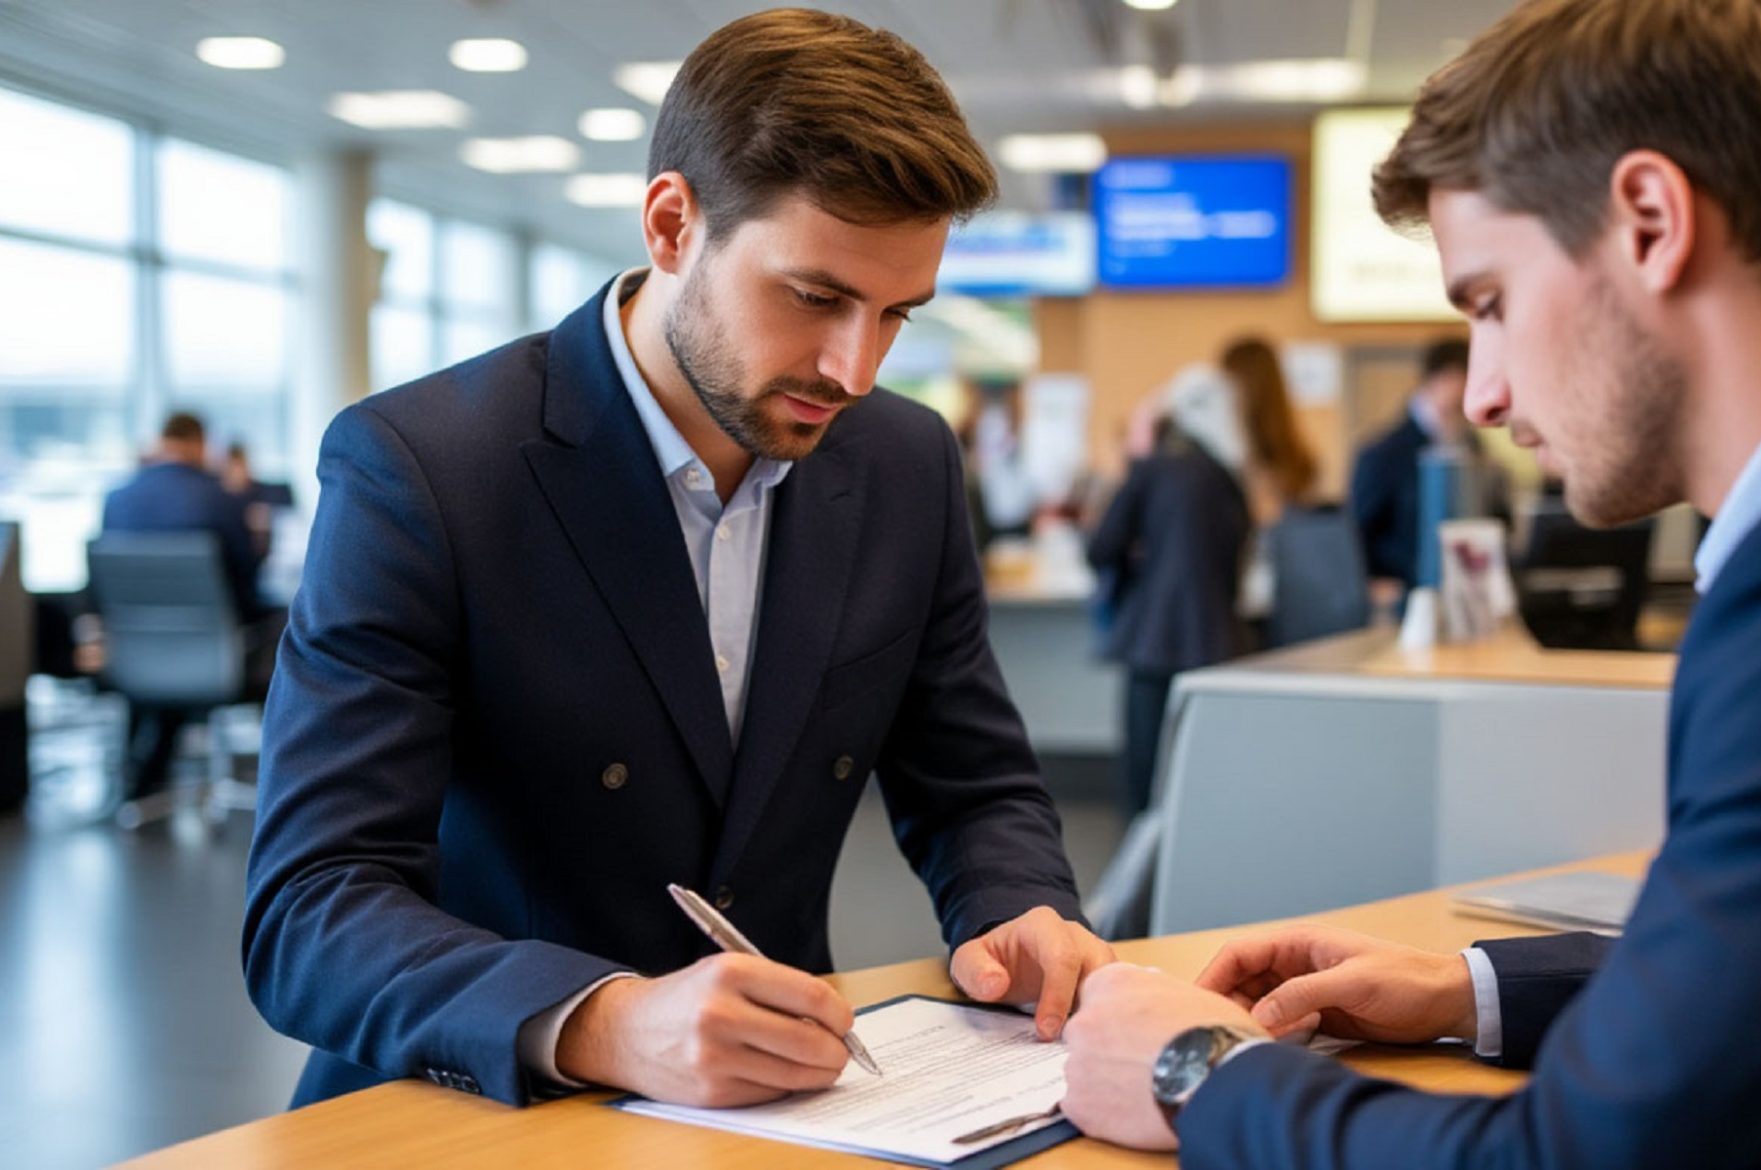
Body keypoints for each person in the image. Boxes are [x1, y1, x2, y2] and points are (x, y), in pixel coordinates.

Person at [1058, 0, 1761, 1165]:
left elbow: (1586, 1157)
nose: (1479, 394)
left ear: (1647, 221)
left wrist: (1198, 1076)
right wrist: (1465, 987)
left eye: (1488, 304)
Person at [244, 8, 1111, 1112]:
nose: (854, 368)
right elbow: (311, 909)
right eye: (815, 297)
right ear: (669, 223)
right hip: (466, 1109)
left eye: (896, 313)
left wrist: (1017, 910)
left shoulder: (902, 462)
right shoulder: (423, 468)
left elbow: (973, 782)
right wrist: (602, 1019)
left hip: (781, 1111)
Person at [1087, 339, 1319, 816]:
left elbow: (1099, 548)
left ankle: (1140, 889)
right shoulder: (1233, 478)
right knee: (1204, 786)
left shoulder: (1154, 470)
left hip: (1154, 645)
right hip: (1224, 643)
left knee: (1146, 785)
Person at [101, 412, 275, 798]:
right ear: (199, 444)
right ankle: (287, 774)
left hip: (136, 659)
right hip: (214, 656)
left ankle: (142, 771)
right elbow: (246, 582)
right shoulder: (220, 498)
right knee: (287, 629)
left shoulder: (116, 499)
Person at [1349, 337, 1512, 601]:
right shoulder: (1383, 453)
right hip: (1405, 600)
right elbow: (1358, 532)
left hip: (1467, 598)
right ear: (1439, 379)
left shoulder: (1474, 448)